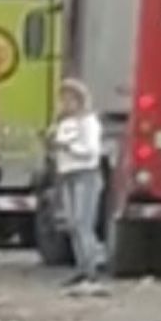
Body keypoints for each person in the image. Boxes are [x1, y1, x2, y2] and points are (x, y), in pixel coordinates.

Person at [49, 79, 105, 286]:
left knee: (83, 222)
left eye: (69, 99)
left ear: (79, 100)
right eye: (62, 99)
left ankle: (91, 269)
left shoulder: (88, 122)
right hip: (67, 174)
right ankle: (81, 267)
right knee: (72, 223)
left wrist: (67, 148)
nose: (65, 103)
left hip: (85, 173)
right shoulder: (63, 123)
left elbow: (91, 151)